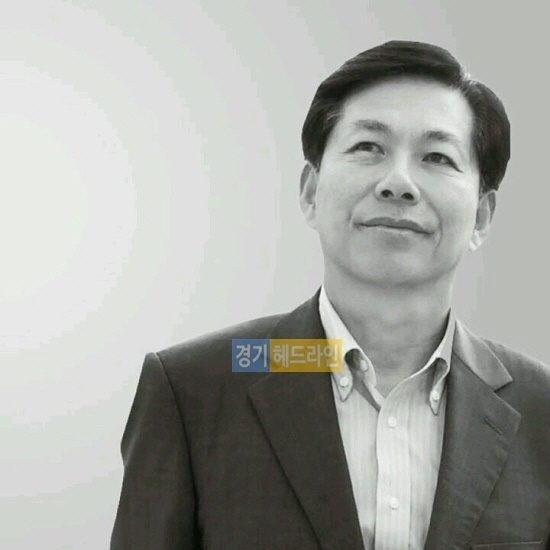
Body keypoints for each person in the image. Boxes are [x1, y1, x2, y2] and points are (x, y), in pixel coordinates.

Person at [110, 41, 550, 549]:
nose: (398, 183)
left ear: (482, 216)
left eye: (437, 157)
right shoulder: (192, 391)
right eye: (368, 148)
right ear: (310, 192)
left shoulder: (540, 411)